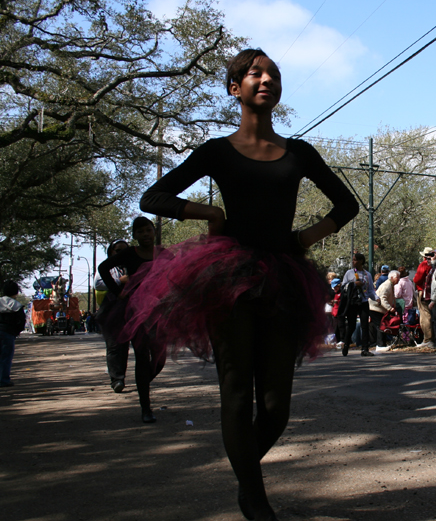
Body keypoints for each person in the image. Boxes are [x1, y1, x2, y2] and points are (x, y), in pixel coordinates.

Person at [121, 49, 358, 520]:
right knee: (236, 391)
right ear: (236, 88)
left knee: (276, 407)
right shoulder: (216, 151)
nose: (266, 79)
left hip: (285, 278)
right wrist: (209, 213)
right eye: (255, 73)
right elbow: (154, 196)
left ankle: (245, 477)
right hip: (228, 278)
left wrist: (306, 236)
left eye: (273, 74)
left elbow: (346, 205)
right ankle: (256, 500)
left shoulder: (300, 152)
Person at [98, 218, 165, 422]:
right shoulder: (129, 254)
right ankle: (146, 408)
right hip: (134, 311)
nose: (145, 234)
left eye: (148, 230)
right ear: (135, 235)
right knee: (142, 357)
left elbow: (177, 273)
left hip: (158, 310)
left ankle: (142, 382)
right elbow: (103, 268)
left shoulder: (163, 253)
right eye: (140, 231)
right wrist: (118, 292)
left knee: (159, 359)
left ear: (154, 232)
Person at [94, 239, 130, 393]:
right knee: (113, 346)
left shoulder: (131, 267)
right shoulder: (106, 267)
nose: (121, 254)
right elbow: (98, 283)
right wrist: (119, 280)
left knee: (124, 346)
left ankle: (121, 375)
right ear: (111, 253)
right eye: (117, 250)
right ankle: (116, 379)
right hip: (110, 312)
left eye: (124, 250)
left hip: (128, 312)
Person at [342, 253, 377, 357]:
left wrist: (377, 298)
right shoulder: (349, 273)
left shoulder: (367, 275)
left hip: (363, 301)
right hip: (353, 302)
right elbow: (343, 286)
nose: (353, 262)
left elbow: (370, 290)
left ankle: (365, 348)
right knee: (352, 326)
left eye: (355, 260)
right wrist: (353, 284)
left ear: (361, 261)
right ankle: (346, 344)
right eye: (353, 260)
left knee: (364, 325)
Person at [0, 280, 26, 387]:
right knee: (6, 357)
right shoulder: (17, 306)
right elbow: (21, 321)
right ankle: (4, 380)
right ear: (16, 292)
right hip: (8, 334)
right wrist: (16, 332)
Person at [413, 247, 436, 347]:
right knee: (433, 316)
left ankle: (427, 339)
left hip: (424, 292)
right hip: (433, 293)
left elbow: (417, 279)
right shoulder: (435, 264)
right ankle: (434, 338)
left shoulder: (424, 264)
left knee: (425, 316)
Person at [372, 270, 400, 351]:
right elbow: (382, 298)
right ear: (391, 278)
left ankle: (382, 344)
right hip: (375, 308)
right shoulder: (387, 285)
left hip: (379, 308)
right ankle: (380, 345)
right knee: (380, 326)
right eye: (397, 277)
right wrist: (389, 308)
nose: (399, 279)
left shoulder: (391, 285)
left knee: (382, 325)